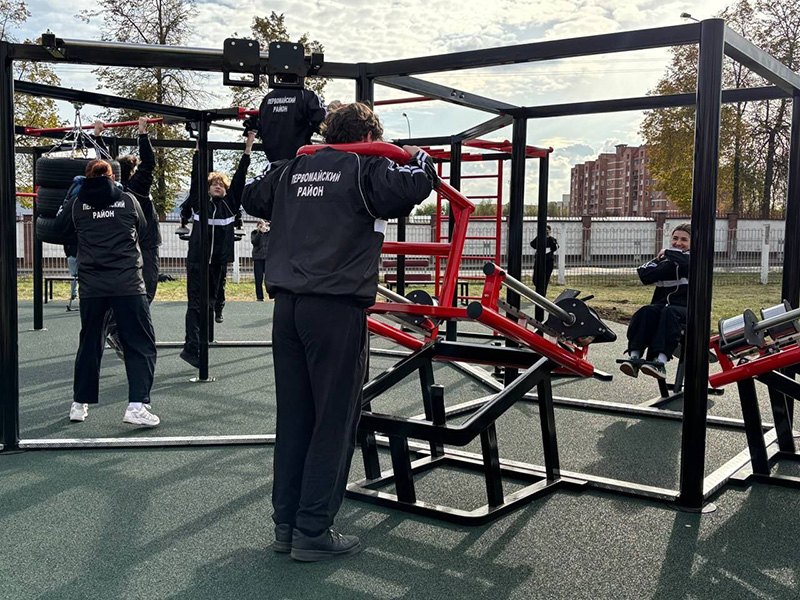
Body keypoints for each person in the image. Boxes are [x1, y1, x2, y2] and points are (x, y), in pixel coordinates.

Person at [241, 102, 437, 562]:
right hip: (335, 308)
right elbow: (414, 185)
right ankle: (312, 530)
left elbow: (251, 197)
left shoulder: (293, 168)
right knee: (333, 420)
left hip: (287, 309)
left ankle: (287, 524)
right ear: (369, 137)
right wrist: (420, 157)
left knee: (295, 418)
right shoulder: (366, 166)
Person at [52, 159, 159, 426]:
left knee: (90, 343)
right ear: (112, 177)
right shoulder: (128, 200)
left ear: (85, 178)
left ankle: (79, 404)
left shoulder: (77, 204)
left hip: (93, 286)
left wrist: (71, 197)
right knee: (139, 343)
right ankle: (137, 405)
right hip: (127, 284)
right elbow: (143, 228)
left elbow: (58, 229)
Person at [180, 133, 254, 368]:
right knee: (195, 305)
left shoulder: (230, 205)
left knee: (211, 301)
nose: (218, 186)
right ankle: (191, 348)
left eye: (221, 185)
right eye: (214, 184)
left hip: (218, 263)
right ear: (208, 188)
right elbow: (195, 178)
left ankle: (217, 310)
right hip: (197, 261)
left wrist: (248, 148)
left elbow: (240, 177)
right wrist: (197, 151)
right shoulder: (198, 203)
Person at [94, 117, 159, 358]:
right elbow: (149, 163)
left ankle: (117, 330)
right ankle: (117, 331)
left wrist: (98, 137)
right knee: (146, 291)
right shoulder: (137, 187)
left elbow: (104, 164)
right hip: (144, 245)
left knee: (126, 291)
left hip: (124, 246)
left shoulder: (113, 188)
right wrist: (142, 132)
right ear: (132, 172)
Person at [619, 223, 691, 380]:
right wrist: (660, 259)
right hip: (665, 307)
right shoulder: (667, 261)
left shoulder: (695, 259)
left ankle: (660, 362)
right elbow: (644, 274)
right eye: (675, 238)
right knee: (647, 311)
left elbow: (686, 262)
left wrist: (667, 253)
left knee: (669, 312)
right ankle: (634, 357)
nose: (678, 243)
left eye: (684, 240)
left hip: (688, 310)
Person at [258, 86, 326, 161]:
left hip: (273, 162)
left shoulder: (268, 98)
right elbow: (323, 125)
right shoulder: (305, 96)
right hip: (299, 160)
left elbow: (261, 128)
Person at [530, 224, 558, 295]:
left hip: (548, 261)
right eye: (544, 230)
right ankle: (538, 291)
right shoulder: (539, 238)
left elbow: (555, 247)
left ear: (550, 231)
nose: (546, 232)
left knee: (545, 279)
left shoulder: (552, 239)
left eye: (547, 230)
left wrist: (549, 238)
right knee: (535, 279)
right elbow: (532, 244)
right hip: (539, 260)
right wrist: (540, 236)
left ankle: (542, 294)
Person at [250, 219, 269, 301]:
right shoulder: (254, 233)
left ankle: (272, 294)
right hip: (258, 258)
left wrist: (269, 226)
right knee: (258, 279)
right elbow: (254, 242)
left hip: (268, 259)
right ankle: (259, 297)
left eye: (263, 226)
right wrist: (260, 232)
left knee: (269, 278)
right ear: (257, 226)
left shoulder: (269, 234)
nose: (262, 227)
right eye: (260, 226)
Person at [64, 242, 78, 311]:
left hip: (71, 255)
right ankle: (77, 294)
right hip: (79, 255)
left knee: (73, 276)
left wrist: (68, 254)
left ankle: (74, 294)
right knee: (82, 276)